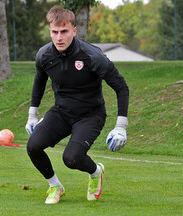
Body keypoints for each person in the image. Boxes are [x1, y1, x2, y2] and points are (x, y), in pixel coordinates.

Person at [25, 6, 129, 204]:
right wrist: (32, 115)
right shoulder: (44, 55)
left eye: (64, 31)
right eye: (54, 32)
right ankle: (55, 186)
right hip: (61, 112)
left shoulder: (93, 56)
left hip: (91, 114)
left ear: (74, 30)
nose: (59, 37)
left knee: (71, 159)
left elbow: (121, 87)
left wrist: (121, 127)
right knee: (33, 146)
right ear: (50, 32)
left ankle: (96, 172)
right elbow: (39, 82)